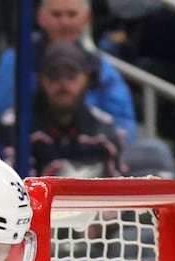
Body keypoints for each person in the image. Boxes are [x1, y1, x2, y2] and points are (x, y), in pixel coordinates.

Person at [0, 0, 136, 144]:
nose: (64, 22)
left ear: (87, 18)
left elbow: (124, 122)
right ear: (40, 17)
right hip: (30, 151)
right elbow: (4, 115)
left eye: (72, 14)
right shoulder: (16, 61)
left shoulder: (102, 68)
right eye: (56, 14)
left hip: (92, 152)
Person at [11, 39, 124, 178]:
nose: (63, 83)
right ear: (41, 79)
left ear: (87, 77)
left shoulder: (103, 131)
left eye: (71, 74)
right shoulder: (19, 128)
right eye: (54, 75)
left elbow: (119, 189)